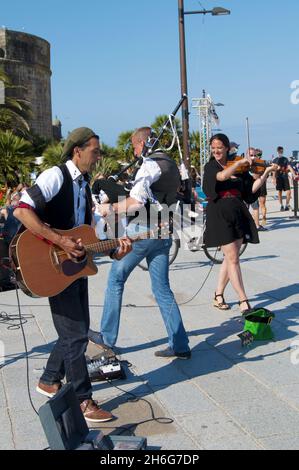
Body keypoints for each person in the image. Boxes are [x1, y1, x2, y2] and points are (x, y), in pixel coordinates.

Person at [14, 127, 131, 423]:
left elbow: (89, 234)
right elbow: (22, 211)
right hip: (52, 264)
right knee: (76, 335)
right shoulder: (56, 176)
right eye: (95, 151)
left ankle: (50, 379)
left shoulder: (85, 184)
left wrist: (116, 249)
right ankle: (82, 400)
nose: (98, 157)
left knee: (75, 331)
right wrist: (60, 241)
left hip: (75, 267)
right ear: (77, 150)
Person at [89, 126, 191, 360]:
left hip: (141, 232)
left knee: (115, 279)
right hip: (163, 230)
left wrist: (110, 208)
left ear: (142, 144)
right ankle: (180, 344)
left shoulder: (149, 165)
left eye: (134, 146)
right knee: (162, 288)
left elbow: (135, 202)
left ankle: (107, 337)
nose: (134, 151)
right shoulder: (171, 163)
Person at [203, 134, 278, 314]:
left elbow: (250, 191)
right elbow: (220, 177)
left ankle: (218, 295)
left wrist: (266, 173)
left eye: (219, 147)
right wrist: (237, 164)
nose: (216, 150)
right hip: (220, 214)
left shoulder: (240, 168)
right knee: (233, 259)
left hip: (238, 212)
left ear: (228, 148)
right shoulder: (211, 166)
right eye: (213, 147)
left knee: (231, 257)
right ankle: (243, 300)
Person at [273, 146, 296, 211]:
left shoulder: (285, 159)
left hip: (285, 177)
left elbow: (289, 167)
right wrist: (273, 178)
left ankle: (287, 204)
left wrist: (294, 174)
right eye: (280, 151)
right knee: (279, 192)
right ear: (277, 151)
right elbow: (273, 170)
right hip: (279, 178)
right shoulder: (275, 160)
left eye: (282, 151)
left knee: (289, 192)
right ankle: (281, 205)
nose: (281, 152)